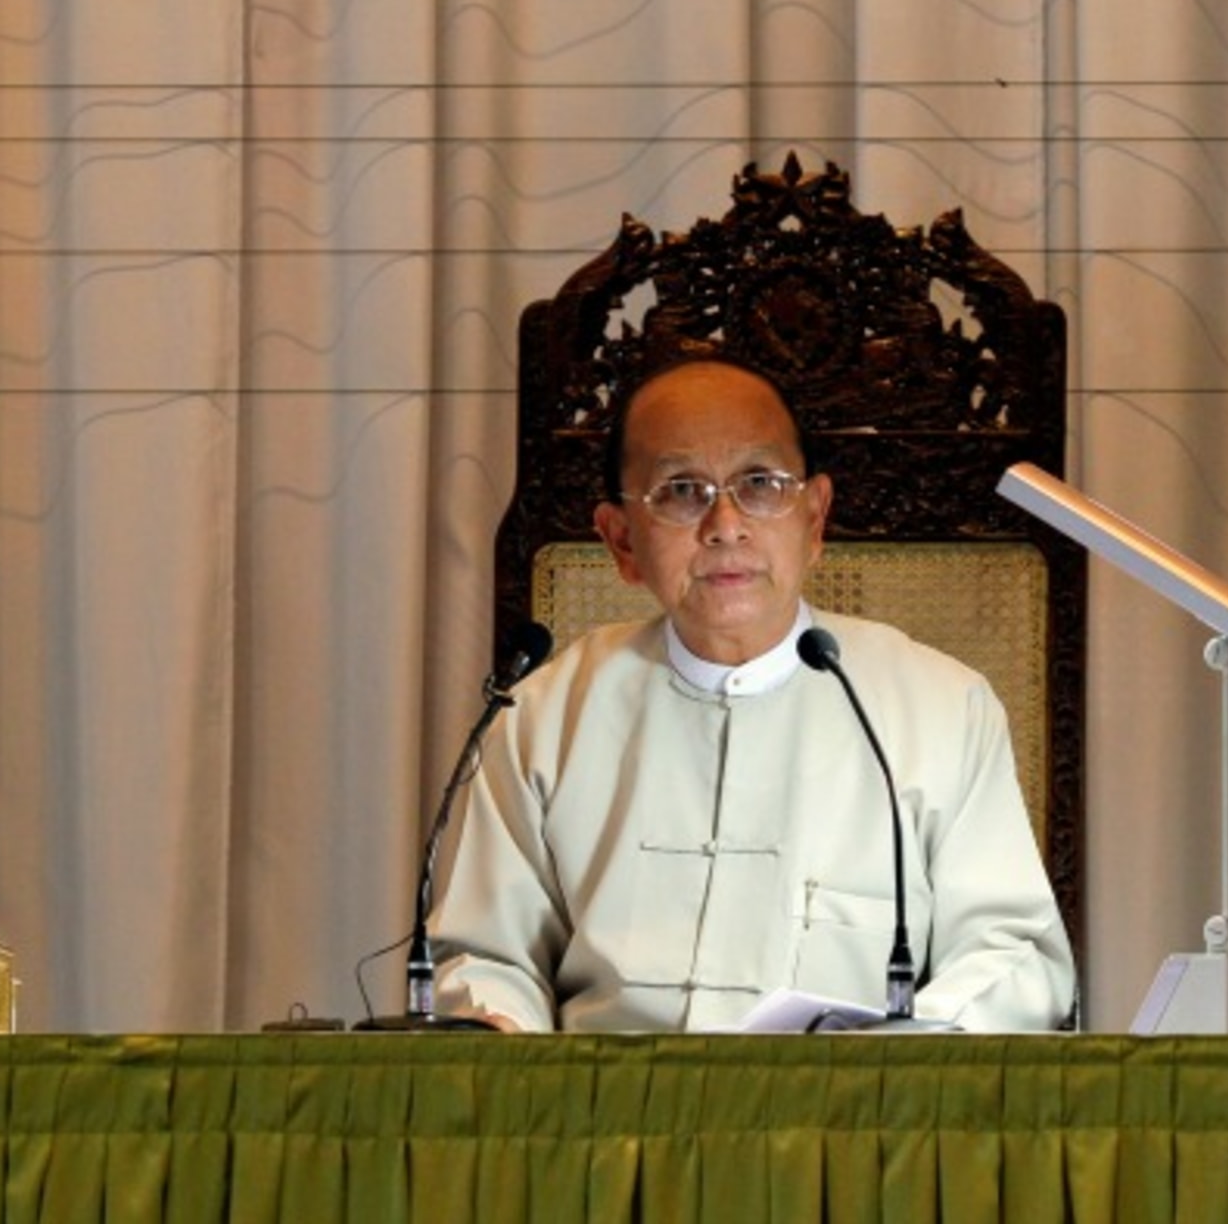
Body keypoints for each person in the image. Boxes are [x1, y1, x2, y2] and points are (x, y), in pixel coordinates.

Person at [430, 357, 1076, 1031]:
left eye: (761, 484)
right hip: (604, 1123)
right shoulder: (543, 715)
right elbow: (489, 959)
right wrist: (499, 1027)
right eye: (682, 491)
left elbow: (1014, 956)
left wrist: (904, 1054)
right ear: (621, 540)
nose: (725, 524)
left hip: (848, 1117)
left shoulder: (943, 707)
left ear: (816, 517)